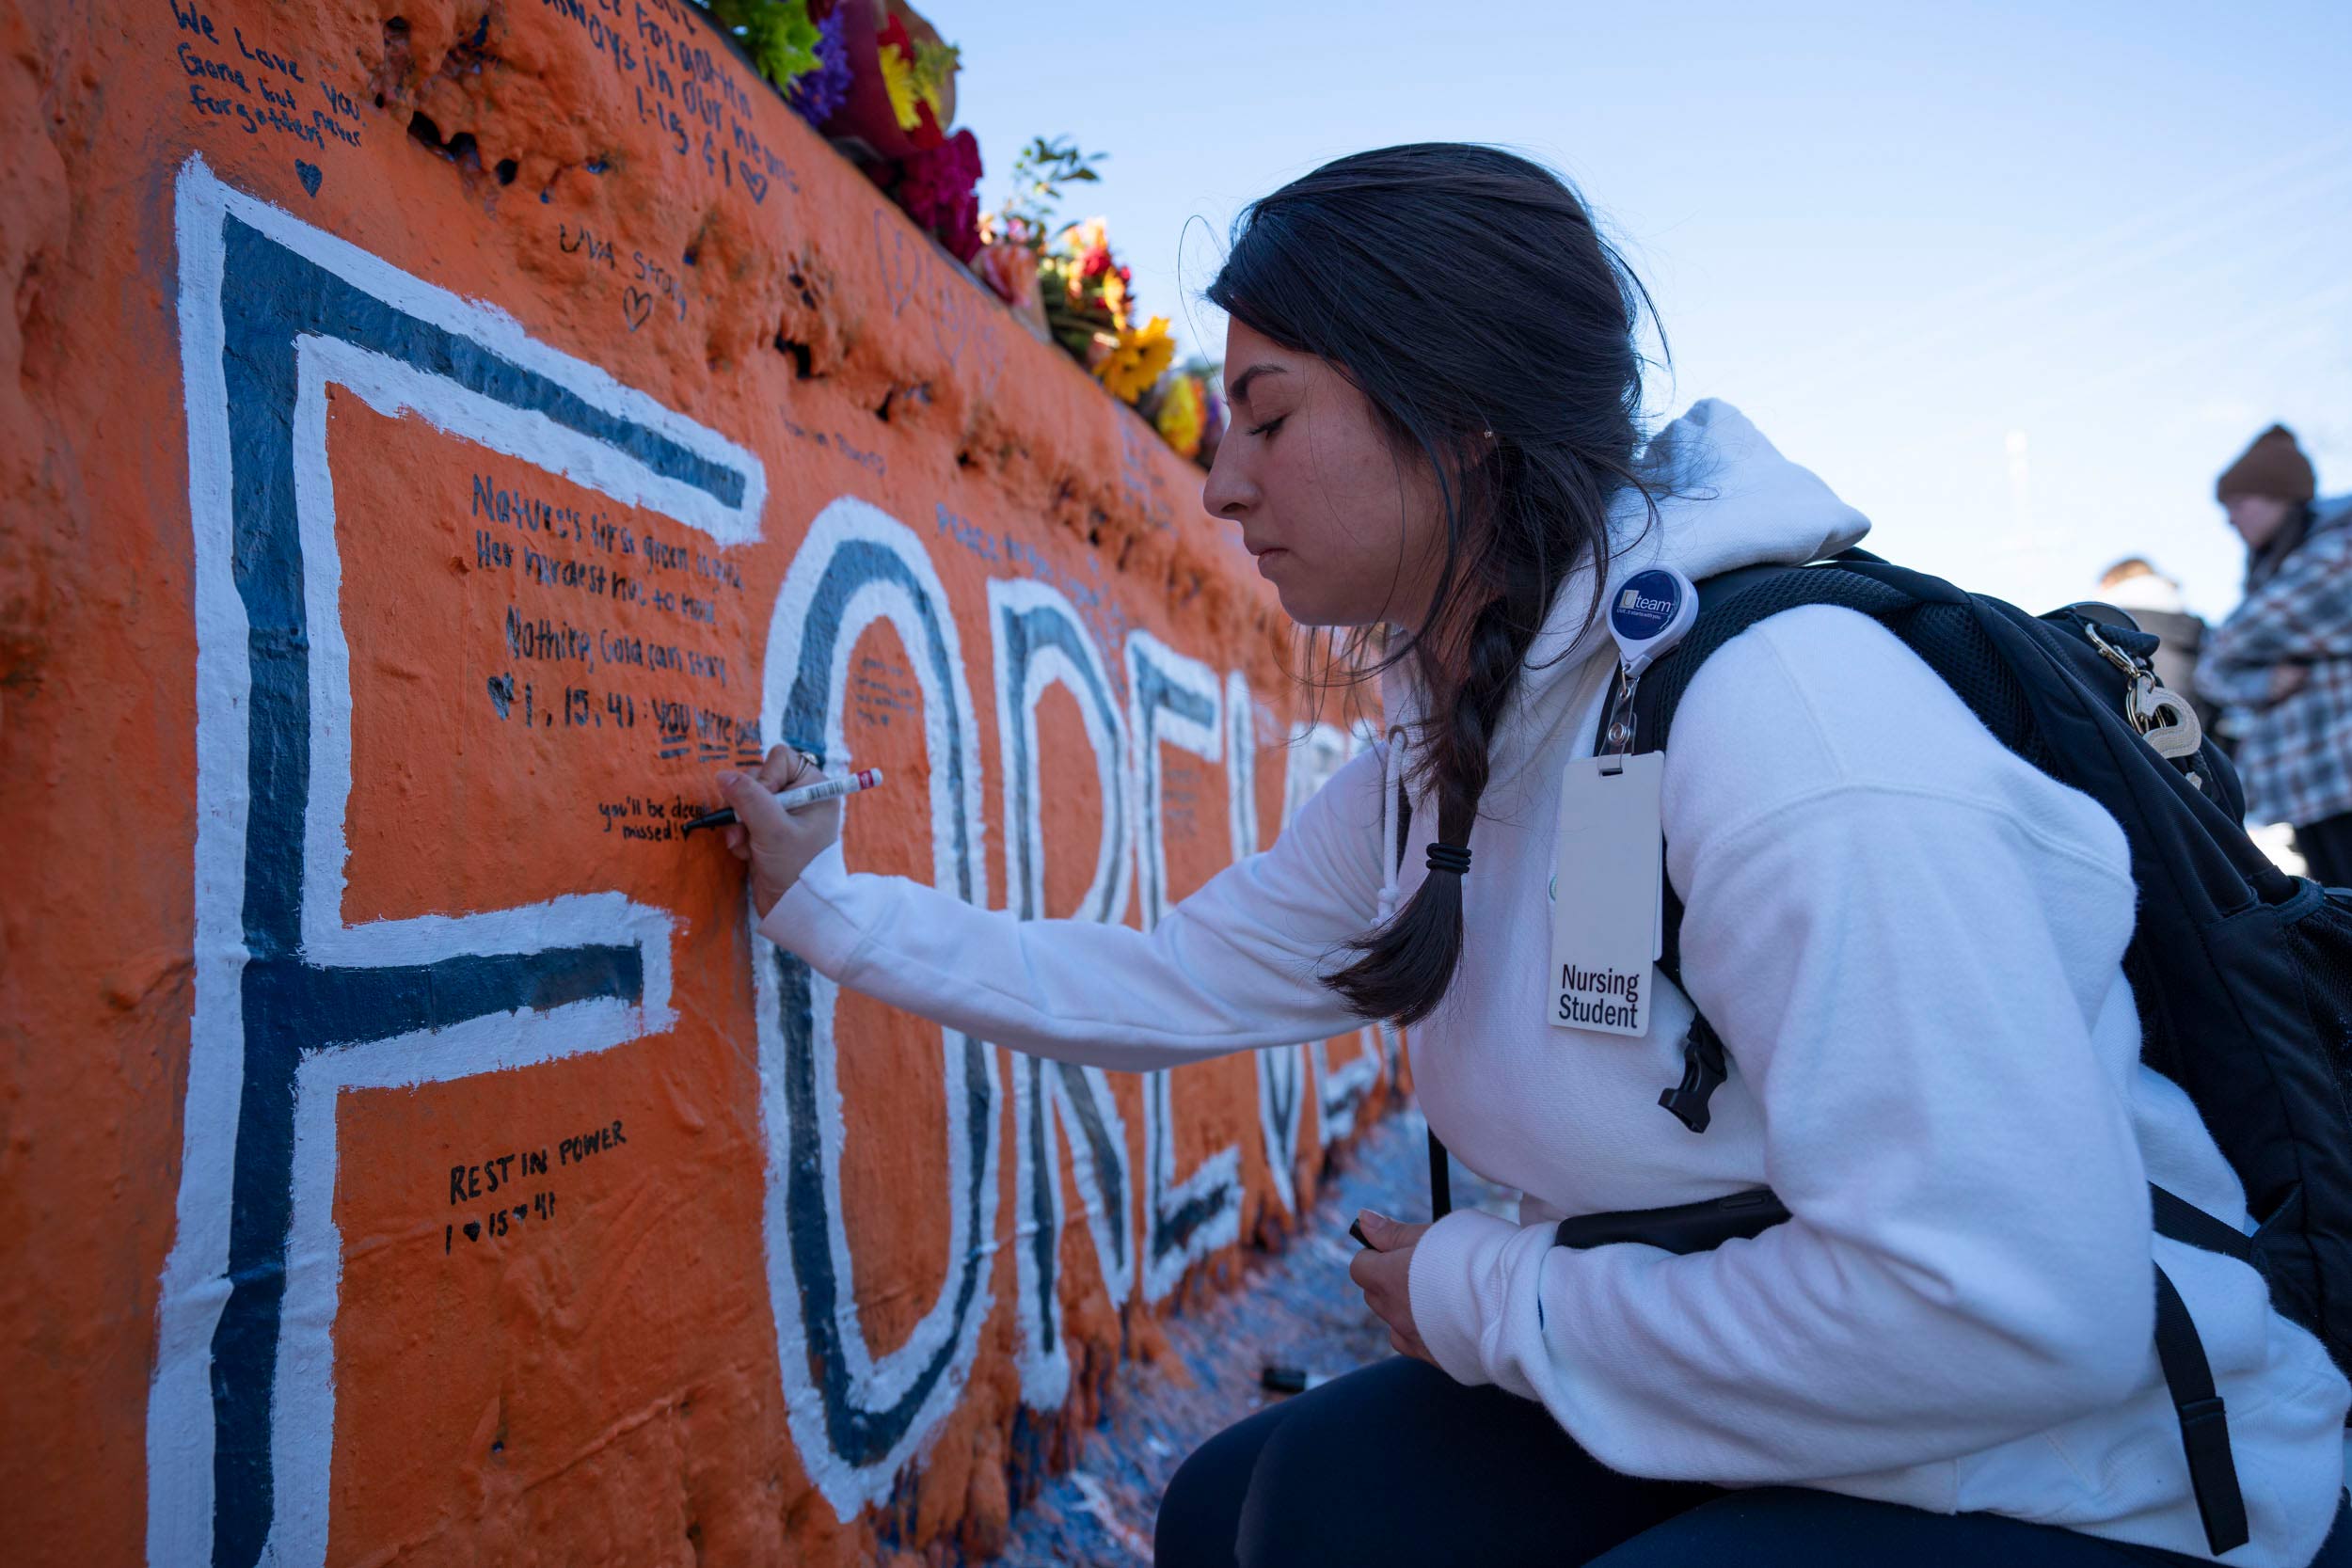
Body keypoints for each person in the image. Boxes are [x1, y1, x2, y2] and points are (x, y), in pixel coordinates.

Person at [715, 147, 2351, 1566]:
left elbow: (2008, 1310)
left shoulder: (1791, 731)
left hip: (2091, 1471)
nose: (1217, 485)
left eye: (1268, 416)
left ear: (1460, 420)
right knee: (1248, 1514)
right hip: (1805, 1407)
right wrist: (821, 900)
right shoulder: (1452, 760)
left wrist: (1488, 1294)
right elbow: (1162, 979)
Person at [2196, 425, 2352, 887]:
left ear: (2281, 498)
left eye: (2238, 504)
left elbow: (2229, 643)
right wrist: (2263, 683)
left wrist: (2242, 671)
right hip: (2317, 788)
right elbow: (2211, 673)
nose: (2230, 520)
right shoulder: (2279, 568)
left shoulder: (2337, 556)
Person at [2095, 556, 2215, 732]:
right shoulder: (2203, 632)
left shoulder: (2102, 626)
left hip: (2124, 745)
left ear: (2108, 582)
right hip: (2194, 746)